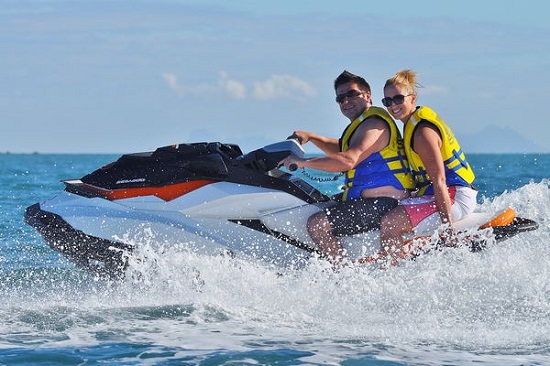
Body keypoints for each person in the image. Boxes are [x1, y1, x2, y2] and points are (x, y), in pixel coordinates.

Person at [279, 70, 415, 264]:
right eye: (340, 98)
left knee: (317, 224)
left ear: (367, 96)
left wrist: (303, 163)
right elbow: (343, 148)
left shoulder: (374, 125)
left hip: (385, 204)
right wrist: (312, 137)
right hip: (371, 202)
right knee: (308, 205)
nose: (345, 101)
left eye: (351, 94)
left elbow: (348, 159)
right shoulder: (362, 125)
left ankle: (343, 275)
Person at [377, 69, 478, 262]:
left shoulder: (422, 133)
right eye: (387, 101)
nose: (393, 105)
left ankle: (392, 276)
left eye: (398, 99)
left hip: (455, 196)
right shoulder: (411, 124)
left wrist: (447, 228)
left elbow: (439, 180)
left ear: (413, 99)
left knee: (390, 223)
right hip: (446, 193)